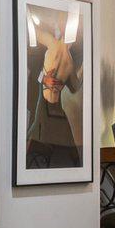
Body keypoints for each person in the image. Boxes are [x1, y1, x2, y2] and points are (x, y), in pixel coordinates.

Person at [25, 12, 82, 170]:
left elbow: (74, 87)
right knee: (40, 149)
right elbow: (75, 86)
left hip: (51, 108)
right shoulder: (67, 59)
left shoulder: (59, 49)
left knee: (67, 153)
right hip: (49, 108)